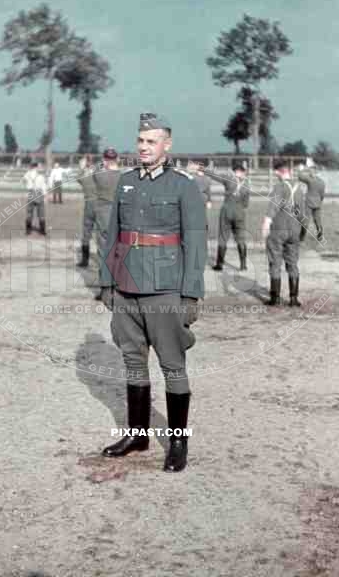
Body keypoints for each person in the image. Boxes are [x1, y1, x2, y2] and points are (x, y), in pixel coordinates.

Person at [99, 112, 206, 473]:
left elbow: (196, 244)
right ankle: (138, 434)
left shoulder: (183, 186)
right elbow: (112, 235)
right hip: (126, 289)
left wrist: (190, 295)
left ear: (167, 144)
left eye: (151, 141)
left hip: (165, 291)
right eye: (141, 140)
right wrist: (106, 283)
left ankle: (178, 442)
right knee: (132, 361)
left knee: (173, 366)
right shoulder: (126, 183)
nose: (144, 147)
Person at [262, 159, 305, 307]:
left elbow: (273, 206)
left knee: (275, 262)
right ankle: (294, 299)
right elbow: (302, 214)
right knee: (293, 263)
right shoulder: (299, 188)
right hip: (294, 230)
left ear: (277, 172)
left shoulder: (279, 187)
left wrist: (267, 222)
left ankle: (275, 298)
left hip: (279, 229)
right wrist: (302, 232)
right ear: (289, 171)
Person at [201, 160, 250, 271]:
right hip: (240, 212)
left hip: (227, 210)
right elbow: (246, 204)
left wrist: (203, 169)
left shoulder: (229, 180)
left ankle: (219, 264)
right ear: (242, 172)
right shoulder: (247, 184)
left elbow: (215, 175)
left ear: (234, 171)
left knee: (223, 237)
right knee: (241, 238)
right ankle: (243, 265)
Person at [87, 148, 122, 300]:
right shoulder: (123, 176)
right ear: (117, 158)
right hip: (119, 216)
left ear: (105, 159)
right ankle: (119, 287)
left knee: (103, 253)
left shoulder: (99, 175)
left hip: (103, 216)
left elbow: (91, 172)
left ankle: (105, 288)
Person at [296, 157, 325, 242]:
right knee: (318, 221)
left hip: (308, 203)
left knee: (306, 221)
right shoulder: (322, 182)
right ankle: (320, 237)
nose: (310, 173)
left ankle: (302, 237)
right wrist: (319, 201)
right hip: (318, 203)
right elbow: (322, 195)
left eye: (311, 171)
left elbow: (300, 177)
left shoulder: (310, 180)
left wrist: (301, 169)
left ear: (313, 172)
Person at [75, 155, 96, 268]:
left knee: (86, 232)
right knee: (104, 233)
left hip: (89, 204)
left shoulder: (84, 178)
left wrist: (82, 167)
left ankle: (85, 260)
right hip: (102, 204)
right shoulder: (99, 175)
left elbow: (78, 177)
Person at [22, 162, 47, 235]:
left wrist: (28, 185)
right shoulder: (41, 176)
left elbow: (23, 181)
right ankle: (42, 231)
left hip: (30, 193)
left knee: (29, 213)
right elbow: (43, 186)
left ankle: (28, 230)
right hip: (39, 193)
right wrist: (45, 196)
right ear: (36, 167)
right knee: (41, 213)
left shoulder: (27, 174)